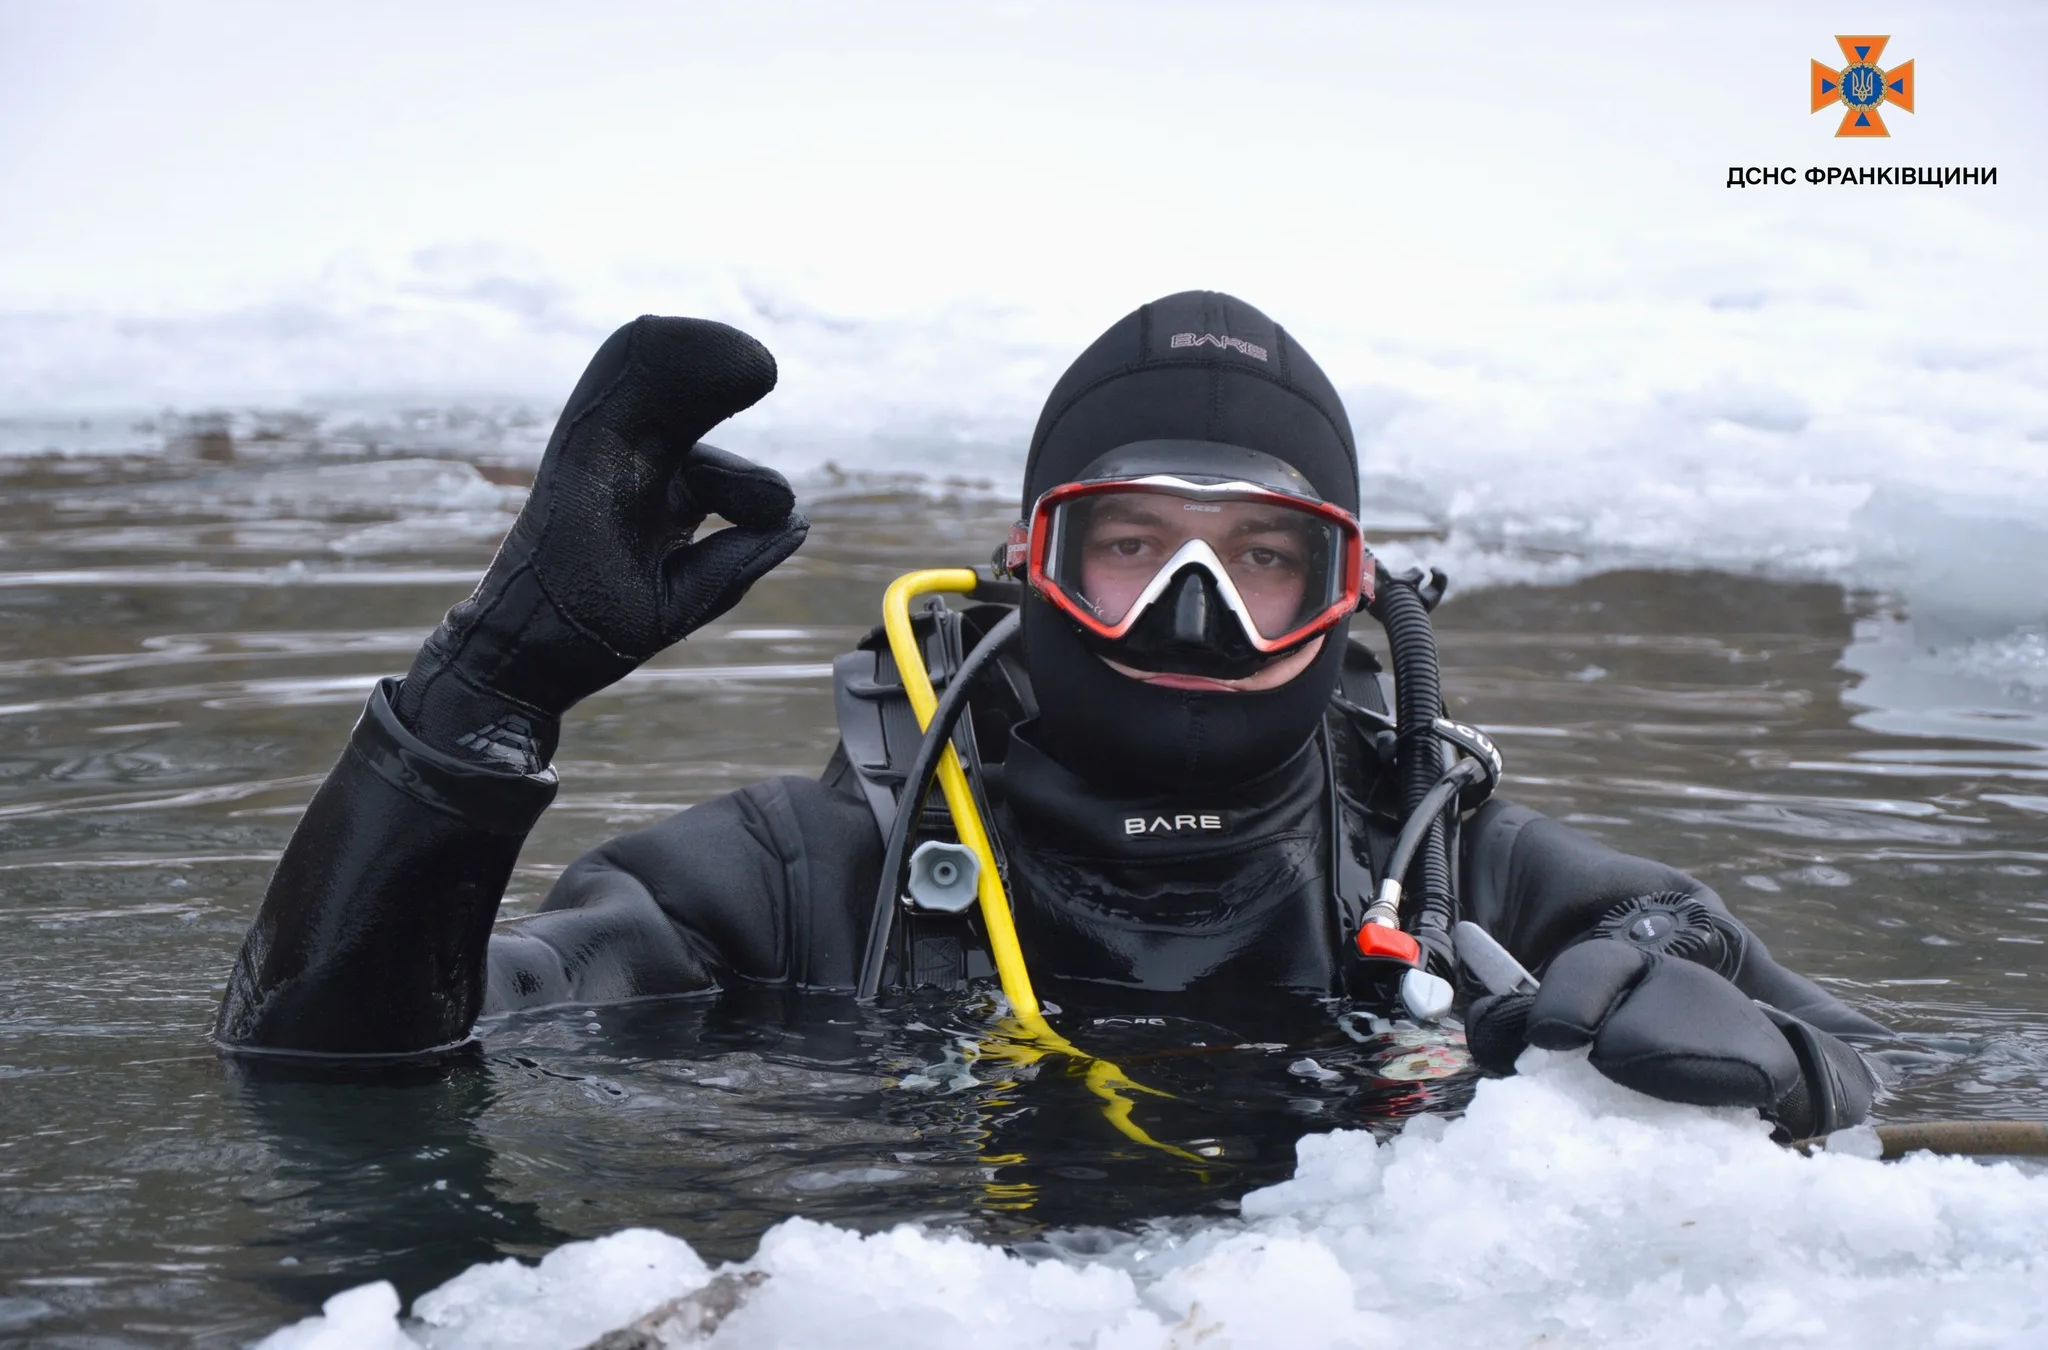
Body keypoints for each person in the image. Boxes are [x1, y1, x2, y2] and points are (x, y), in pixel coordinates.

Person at [215, 291, 1888, 1140]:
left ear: (1354, 599)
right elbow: (322, 1066)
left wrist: (1783, 1081)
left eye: (1263, 564)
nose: (1193, 614)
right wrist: (484, 696)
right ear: (1029, 563)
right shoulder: (787, 888)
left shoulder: (1467, 889)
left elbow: (1889, 1071)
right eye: (1134, 547)